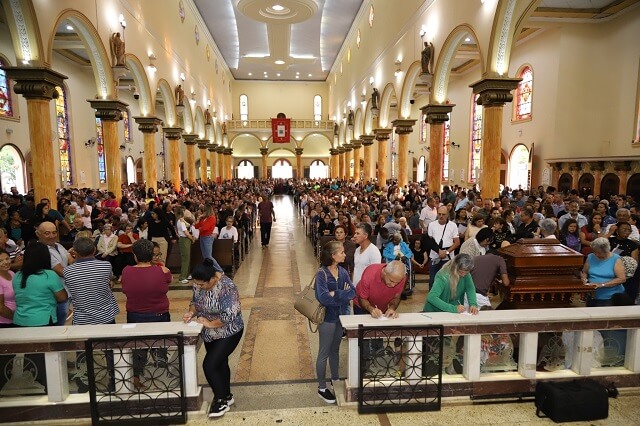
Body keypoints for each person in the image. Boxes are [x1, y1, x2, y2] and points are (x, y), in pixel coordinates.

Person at [183, 258, 244, 418]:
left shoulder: (227, 287)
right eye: (196, 284)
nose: (198, 287)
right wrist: (191, 312)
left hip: (229, 331)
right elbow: (195, 302)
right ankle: (227, 396)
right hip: (209, 334)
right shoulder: (199, 283)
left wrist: (209, 323)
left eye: (202, 284)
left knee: (209, 365)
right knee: (220, 362)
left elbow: (229, 315)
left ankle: (220, 400)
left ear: (213, 279)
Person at [121, 239, 172, 389]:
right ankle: (162, 375)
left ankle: (137, 374)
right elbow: (168, 281)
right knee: (160, 342)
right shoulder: (163, 271)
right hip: (159, 314)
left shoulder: (126, 271)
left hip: (135, 315)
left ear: (135, 255)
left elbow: (125, 289)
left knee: (138, 346)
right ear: (152, 255)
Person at [314, 241, 355, 404]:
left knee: (335, 350)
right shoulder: (321, 274)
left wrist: (335, 293)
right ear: (332, 255)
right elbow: (323, 298)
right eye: (341, 252)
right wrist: (341, 294)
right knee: (324, 352)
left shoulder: (343, 271)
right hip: (327, 319)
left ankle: (335, 379)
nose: (344, 255)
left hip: (340, 317)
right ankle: (321, 388)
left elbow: (352, 292)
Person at [63, 237, 119, 325]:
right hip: (105, 317)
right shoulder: (105, 265)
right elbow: (109, 279)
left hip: (81, 319)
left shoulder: (67, 271)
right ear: (94, 250)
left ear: (75, 252)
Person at [12, 241, 67, 326]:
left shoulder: (17, 275)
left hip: (19, 320)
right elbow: (62, 298)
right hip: (44, 320)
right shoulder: (49, 275)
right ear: (46, 256)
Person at [36, 221, 73, 325]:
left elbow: (71, 260)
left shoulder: (58, 245)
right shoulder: (41, 250)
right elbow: (61, 271)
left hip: (66, 290)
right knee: (56, 324)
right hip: (55, 294)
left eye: (54, 232)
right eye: (47, 233)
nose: (52, 236)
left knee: (61, 321)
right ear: (38, 234)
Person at [581, 237, 626, 307]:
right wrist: (584, 279)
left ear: (606, 251)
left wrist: (601, 285)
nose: (596, 255)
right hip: (592, 295)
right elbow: (584, 272)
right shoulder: (590, 257)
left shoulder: (616, 259)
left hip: (610, 297)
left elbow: (622, 279)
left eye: (599, 253)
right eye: (594, 252)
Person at [424, 206, 460, 289]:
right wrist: (439, 251)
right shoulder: (431, 225)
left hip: (448, 257)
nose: (441, 216)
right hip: (434, 256)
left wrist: (446, 252)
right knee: (432, 280)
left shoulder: (453, 225)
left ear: (447, 215)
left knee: (448, 281)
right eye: (439, 214)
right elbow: (429, 241)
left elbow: (457, 242)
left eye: (443, 214)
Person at [352, 222, 381, 287]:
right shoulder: (357, 250)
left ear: (365, 236)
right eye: (355, 233)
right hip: (355, 287)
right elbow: (356, 268)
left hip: (366, 289)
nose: (354, 236)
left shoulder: (374, 251)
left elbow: (375, 274)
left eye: (358, 233)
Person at [175, 206, 196, 283]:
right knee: (185, 259)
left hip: (187, 239)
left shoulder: (183, 220)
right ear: (182, 212)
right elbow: (186, 233)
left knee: (188, 258)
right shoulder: (181, 221)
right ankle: (182, 277)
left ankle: (187, 274)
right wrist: (192, 238)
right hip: (184, 239)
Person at [0, 250, 15, 327]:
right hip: (4, 323)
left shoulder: (12, 273)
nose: (5, 262)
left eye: (7, 259)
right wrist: (16, 318)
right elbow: (1, 308)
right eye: (0, 261)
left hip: (15, 319)